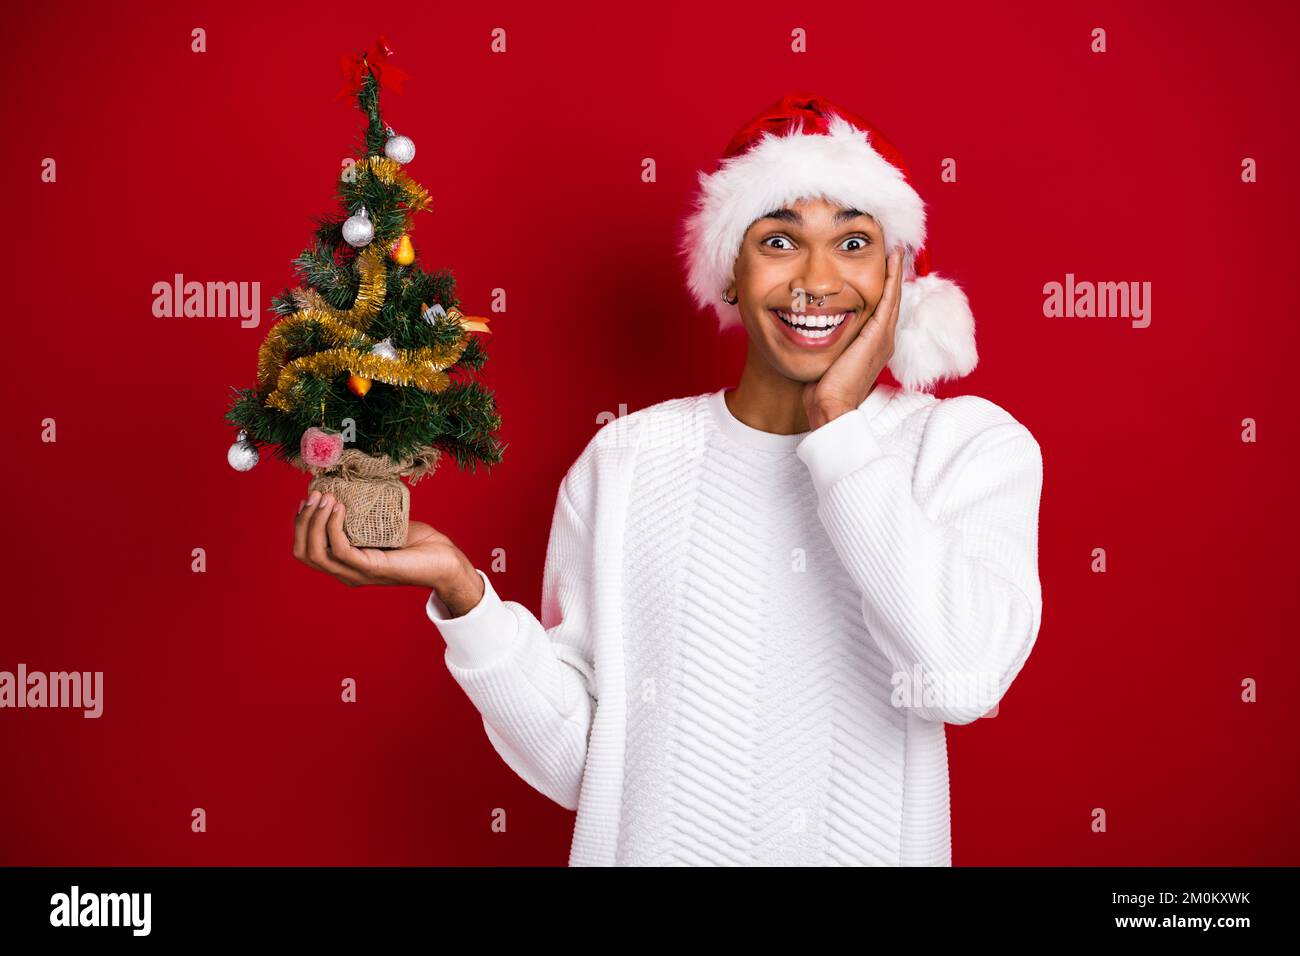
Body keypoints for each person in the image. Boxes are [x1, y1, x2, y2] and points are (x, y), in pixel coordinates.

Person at [292, 92, 1044, 867]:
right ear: (729, 271)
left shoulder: (965, 448)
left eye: (853, 243)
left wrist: (838, 424)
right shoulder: (627, 462)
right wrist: (463, 595)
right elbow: (592, 765)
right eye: (780, 240)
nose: (817, 279)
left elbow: (960, 678)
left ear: (898, 277)